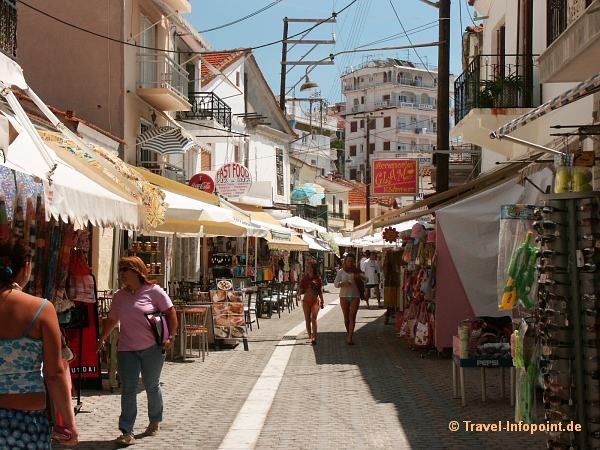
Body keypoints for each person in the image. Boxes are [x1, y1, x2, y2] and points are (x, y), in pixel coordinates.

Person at [0, 239, 79, 448]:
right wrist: (68, 423)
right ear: (26, 267)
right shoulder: (40, 309)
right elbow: (55, 374)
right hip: (27, 419)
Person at [96, 256, 178, 446]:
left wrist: (171, 337)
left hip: (152, 349)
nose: (122, 274)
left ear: (137, 271)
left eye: (125, 270)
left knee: (151, 385)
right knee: (128, 390)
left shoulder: (154, 291)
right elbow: (111, 320)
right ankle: (127, 431)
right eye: (120, 270)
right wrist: (102, 339)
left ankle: (155, 420)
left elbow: (170, 312)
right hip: (126, 350)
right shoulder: (119, 296)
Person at [333, 253, 365, 345]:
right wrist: (342, 283)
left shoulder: (356, 271)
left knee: (352, 317)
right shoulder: (341, 271)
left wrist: (361, 277)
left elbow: (366, 279)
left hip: (355, 296)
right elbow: (335, 284)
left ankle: (350, 337)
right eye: (348, 261)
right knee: (346, 318)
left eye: (352, 261)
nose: (350, 263)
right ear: (345, 261)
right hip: (343, 296)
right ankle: (349, 333)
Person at [298, 259, 324, 345]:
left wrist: (322, 300)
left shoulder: (318, 278)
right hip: (306, 301)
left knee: (314, 319)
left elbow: (320, 290)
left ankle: (314, 338)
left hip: (315, 301)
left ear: (313, 268)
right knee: (307, 319)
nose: (308, 269)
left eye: (310, 267)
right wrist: (298, 294)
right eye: (307, 267)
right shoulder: (305, 278)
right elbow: (301, 288)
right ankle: (309, 336)